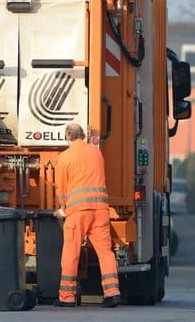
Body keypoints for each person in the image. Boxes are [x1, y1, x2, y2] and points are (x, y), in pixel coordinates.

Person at [52, 123, 121, 308]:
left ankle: (67, 297)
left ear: (68, 137)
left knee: (71, 253)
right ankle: (112, 293)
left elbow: (62, 189)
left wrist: (63, 209)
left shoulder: (64, 157)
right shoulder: (96, 153)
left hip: (78, 212)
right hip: (100, 210)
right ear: (82, 135)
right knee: (105, 252)